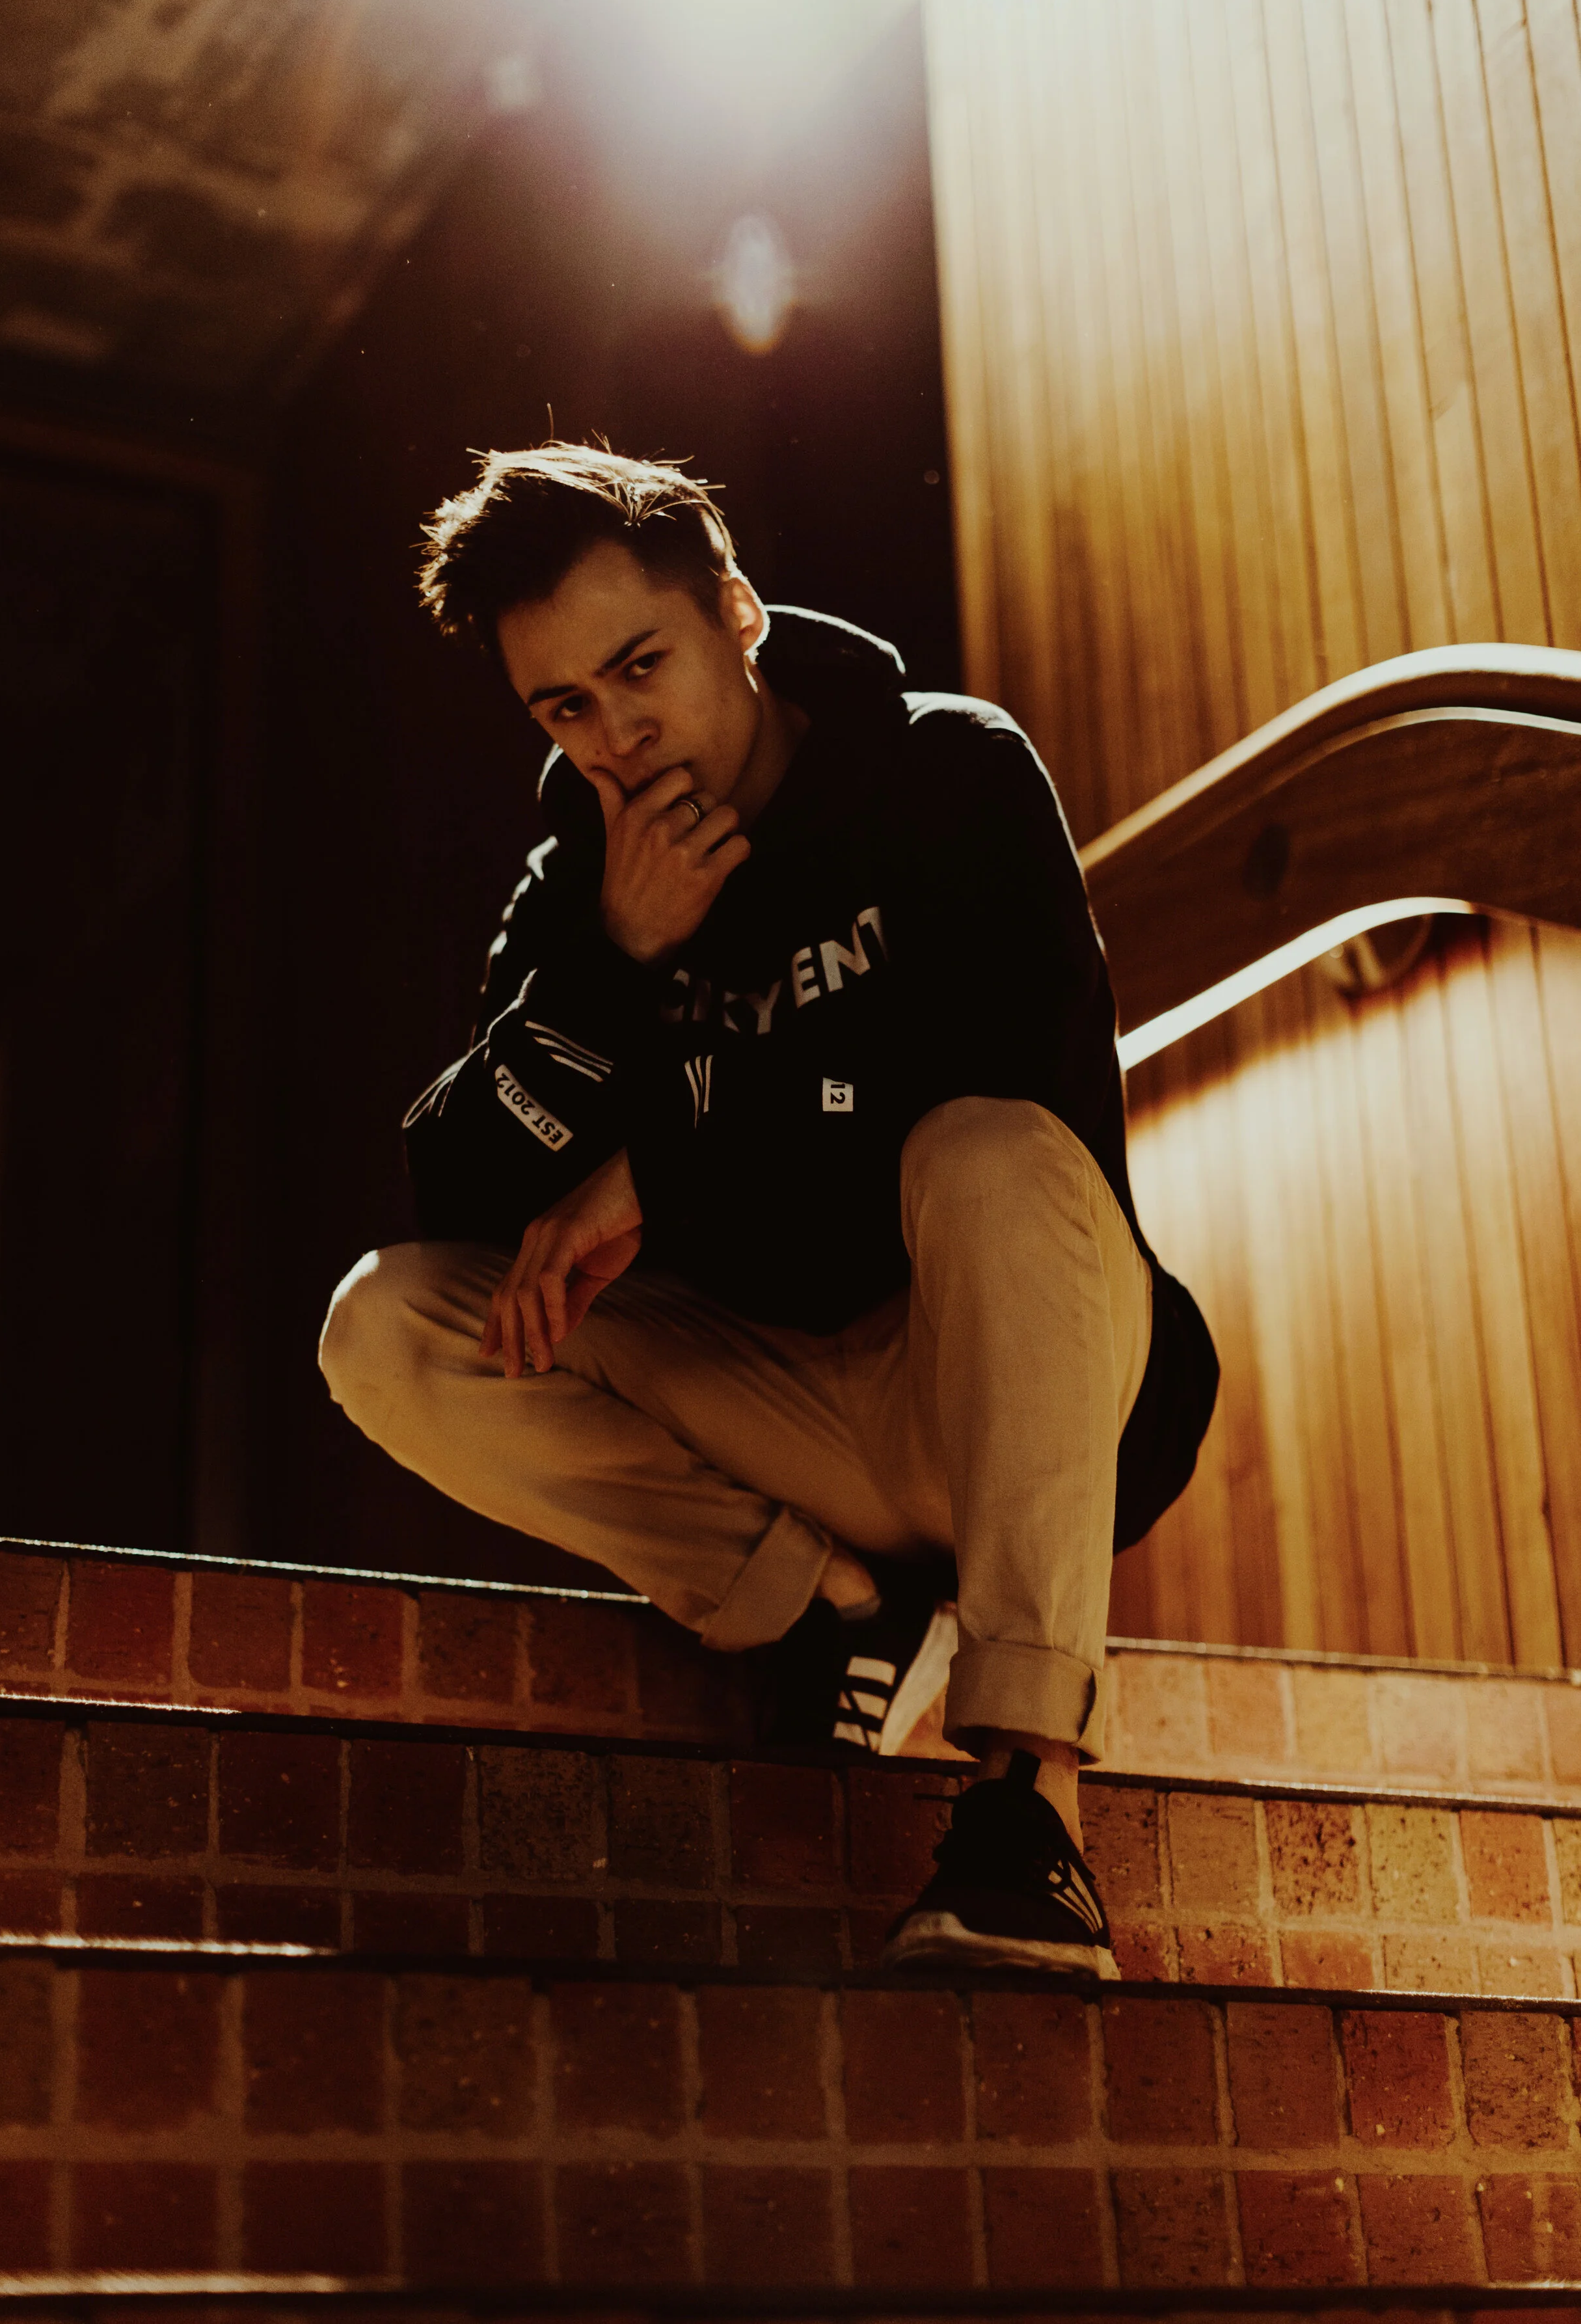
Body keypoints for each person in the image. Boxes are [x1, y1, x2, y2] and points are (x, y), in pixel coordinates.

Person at [319, 443, 1217, 1975]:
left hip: (996, 1387)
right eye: (563, 707)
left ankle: (1026, 1811)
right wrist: (609, 962)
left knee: (987, 1152)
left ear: (733, 612)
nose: (614, 734)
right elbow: (460, 1190)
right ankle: (824, 1610)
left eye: (639, 667)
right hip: (772, 1409)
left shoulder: (944, 771)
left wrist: (662, 1167)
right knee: (385, 1325)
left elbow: (1006, 1080)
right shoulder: (577, 886)